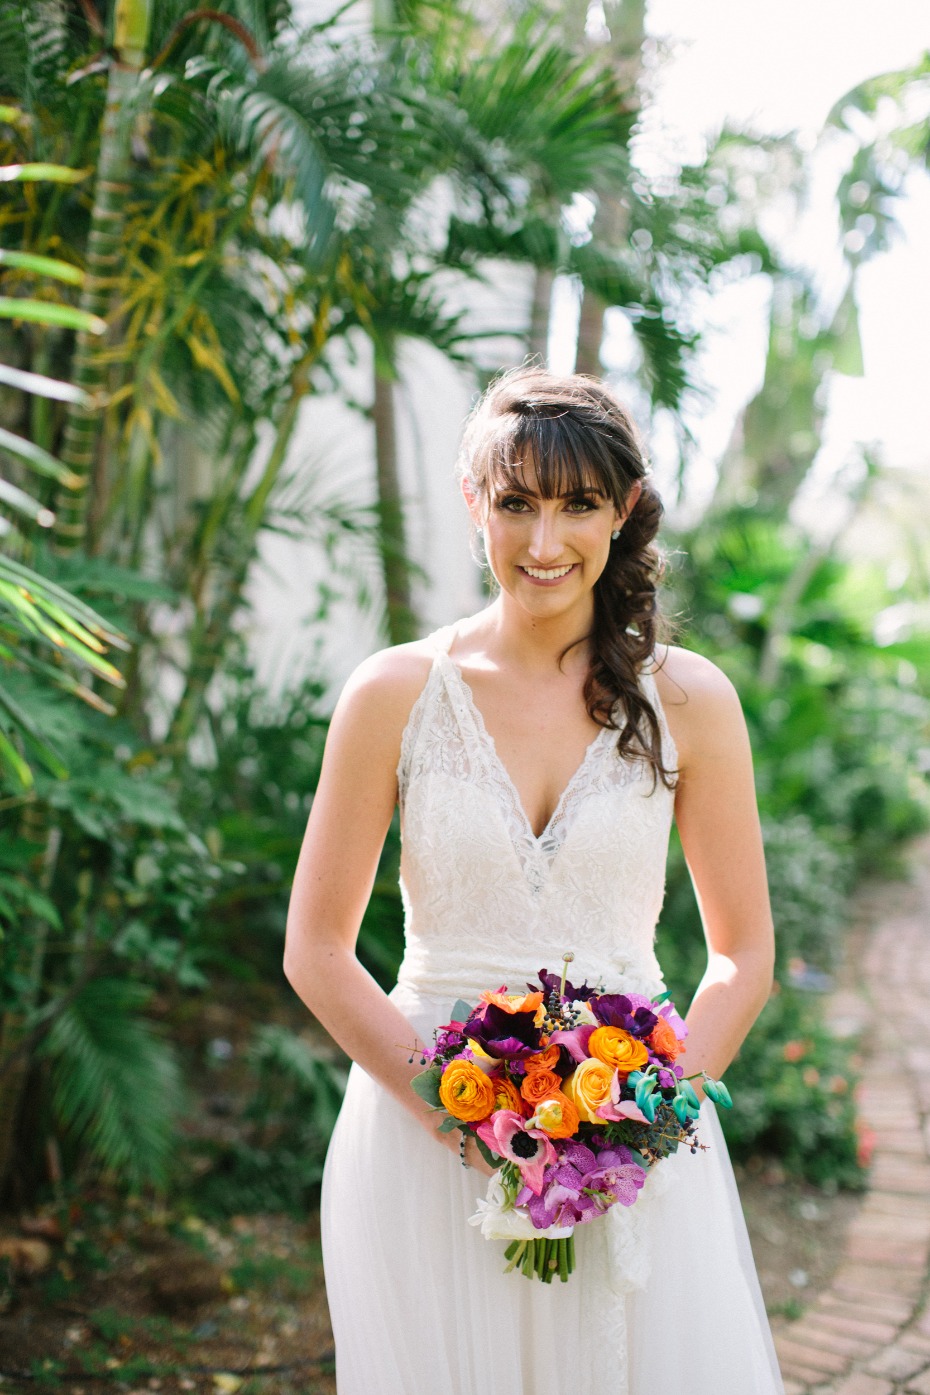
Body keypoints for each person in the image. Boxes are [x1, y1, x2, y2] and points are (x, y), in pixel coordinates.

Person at [284, 367, 784, 1394]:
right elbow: (318, 951)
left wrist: (641, 1124)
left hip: (633, 1149)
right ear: (476, 502)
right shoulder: (393, 695)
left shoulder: (690, 701)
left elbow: (744, 953)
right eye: (516, 503)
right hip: (424, 1143)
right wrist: (463, 1124)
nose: (544, 543)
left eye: (577, 506)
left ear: (624, 510)